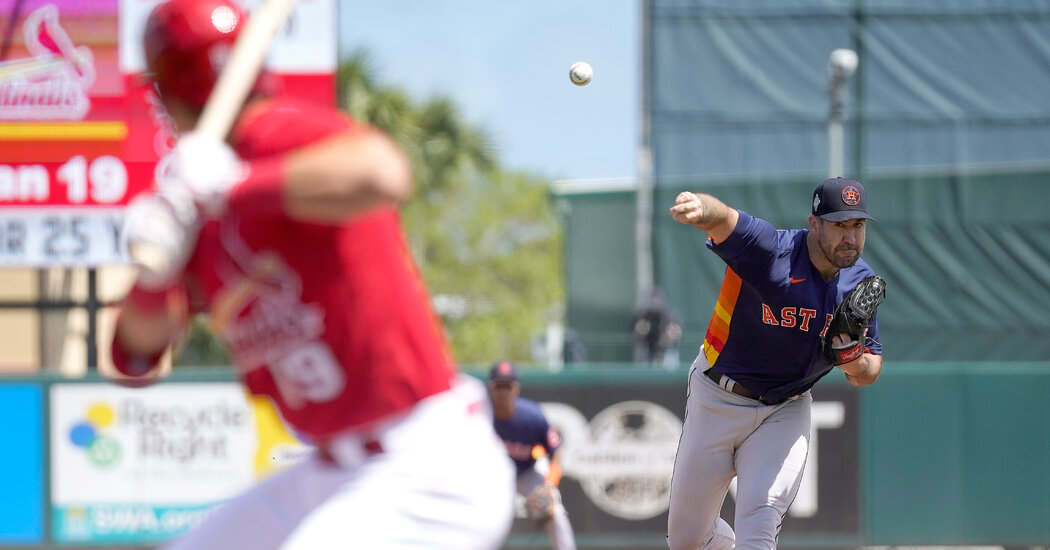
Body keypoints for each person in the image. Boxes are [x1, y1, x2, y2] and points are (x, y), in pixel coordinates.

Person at [105, 0, 514, 548]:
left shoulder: (269, 137)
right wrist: (155, 272)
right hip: (331, 472)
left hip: (426, 466)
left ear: (166, 87)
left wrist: (233, 188)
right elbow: (134, 355)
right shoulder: (193, 196)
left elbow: (382, 172)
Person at [664, 177, 884, 550]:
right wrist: (701, 207)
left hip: (784, 411)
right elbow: (725, 219)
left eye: (857, 225)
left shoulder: (859, 282)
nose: (850, 237)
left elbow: (869, 370)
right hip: (716, 396)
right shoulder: (773, 249)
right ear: (814, 223)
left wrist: (852, 360)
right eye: (839, 225)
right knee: (687, 541)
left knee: (758, 521)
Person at [487, 361, 577, 550]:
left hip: (526, 472)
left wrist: (550, 484)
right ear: (491, 388)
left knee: (555, 511)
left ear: (516, 389)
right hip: (491, 476)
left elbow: (555, 452)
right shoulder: (480, 416)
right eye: (499, 385)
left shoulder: (532, 417)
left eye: (508, 385)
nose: (503, 391)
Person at [632, 287, 683, 368]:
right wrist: (642, 331)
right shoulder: (644, 315)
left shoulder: (668, 314)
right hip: (648, 348)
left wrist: (668, 336)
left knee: (670, 368)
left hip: (667, 350)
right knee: (645, 371)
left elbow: (677, 332)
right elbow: (637, 335)